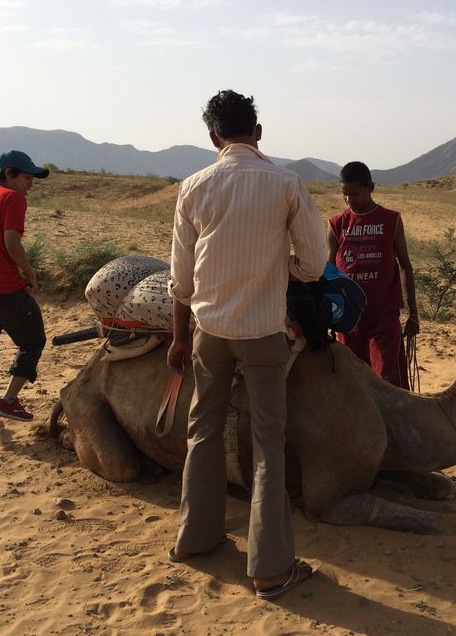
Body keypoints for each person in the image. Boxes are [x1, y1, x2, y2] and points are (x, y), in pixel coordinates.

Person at [167, 90, 326, 599]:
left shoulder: (193, 186)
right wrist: (285, 269)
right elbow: (315, 264)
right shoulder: (286, 183)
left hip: (208, 334)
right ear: (258, 132)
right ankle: (270, 569)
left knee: (202, 432)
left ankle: (195, 538)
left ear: (213, 137)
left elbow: (180, 279)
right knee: (267, 443)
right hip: (262, 334)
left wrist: (178, 336)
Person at [0, 151, 49, 442]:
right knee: (33, 341)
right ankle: (7, 401)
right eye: (27, 177)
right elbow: (11, 242)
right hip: (3, 289)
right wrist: (30, 273)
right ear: (8, 173)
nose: (30, 184)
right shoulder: (13, 199)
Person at [327, 161, 419, 389]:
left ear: (371, 188)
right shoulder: (336, 224)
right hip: (349, 319)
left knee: (388, 382)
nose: (349, 200)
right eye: (344, 194)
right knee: (353, 384)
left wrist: (414, 313)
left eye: (354, 194)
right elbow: (329, 272)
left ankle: (392, 426)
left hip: (383, 316)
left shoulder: (391, 220)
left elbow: (405, 265)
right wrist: (327, 314)